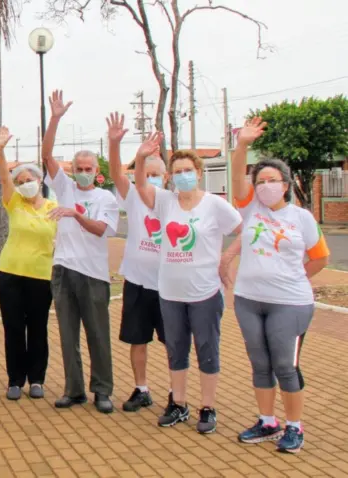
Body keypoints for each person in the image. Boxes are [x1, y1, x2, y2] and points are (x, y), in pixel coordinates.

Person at [221, 117, 330, 453]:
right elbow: (237, 175)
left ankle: (294, 427)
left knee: (285, 365)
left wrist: (295, 278)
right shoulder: (251, 208)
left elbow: (320, 258)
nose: (266, 185)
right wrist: (242, 145)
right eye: (261, 180)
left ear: (286, 184)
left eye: (273, 180)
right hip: (248, 300)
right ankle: (267, 421)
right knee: (260, 363)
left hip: (291, 304)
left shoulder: (302, 218)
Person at [134, 148, 242, 434]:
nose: (183, 176)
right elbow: (142, 185)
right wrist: (141, 156)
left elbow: (245, 229)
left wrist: (227, 257)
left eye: (188, 171)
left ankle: (207, 407)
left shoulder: (214, 205)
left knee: (207, 350)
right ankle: (178, 403)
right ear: (170, 177)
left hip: (204, 293)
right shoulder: (165, 202)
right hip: (170, 292)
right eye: (177, 172)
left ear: (199, 173)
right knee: (176, 350)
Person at [41, 92, 120, 414]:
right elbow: (46, 155)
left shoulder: (105, 198)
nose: (83, 171)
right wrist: (55, 118)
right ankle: (74, 390)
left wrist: (76, 214)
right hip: (63, 270)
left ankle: (102, 389)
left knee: (98, 335)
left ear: (97, 169)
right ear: (72, 169)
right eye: (79, 167)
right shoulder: (65, 188)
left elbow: (102, 230)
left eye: (88, 167)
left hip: (94, 275)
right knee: (67, 334)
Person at [106, 113, 169, 413]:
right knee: (137, 339)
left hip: (169, 285)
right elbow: (117, 172)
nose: (151, 179)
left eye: (157, 174)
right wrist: (115, 144)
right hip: (137, 281)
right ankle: (141, 389)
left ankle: (175, 391)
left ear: (166, 178)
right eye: (147, 173)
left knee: (174, 343)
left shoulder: (173, 200)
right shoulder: (132, 196)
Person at [0, 126, 57, 401]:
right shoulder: (14, 201)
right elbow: (3, 177)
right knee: (14, 329)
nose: (24, 182)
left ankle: (37, 379)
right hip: (10, 275)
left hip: (41, 277)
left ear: (40, 179)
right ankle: (15, 380)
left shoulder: (53, 208)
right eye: (20, 180)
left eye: (29, 178)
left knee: (38, 328)